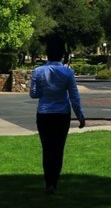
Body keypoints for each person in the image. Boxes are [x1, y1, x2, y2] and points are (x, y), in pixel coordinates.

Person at [29, 38, 85, 194]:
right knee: (58, 148)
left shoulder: (38, 72)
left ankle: (48, 183)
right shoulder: (67, 72)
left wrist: (44, 91)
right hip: (62, 114)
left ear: (47, 54)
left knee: (47, 148)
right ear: (62, 55)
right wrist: (80, 115)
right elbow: (74, 96)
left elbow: (33, 94)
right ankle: (55, 181)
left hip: (44, 113)